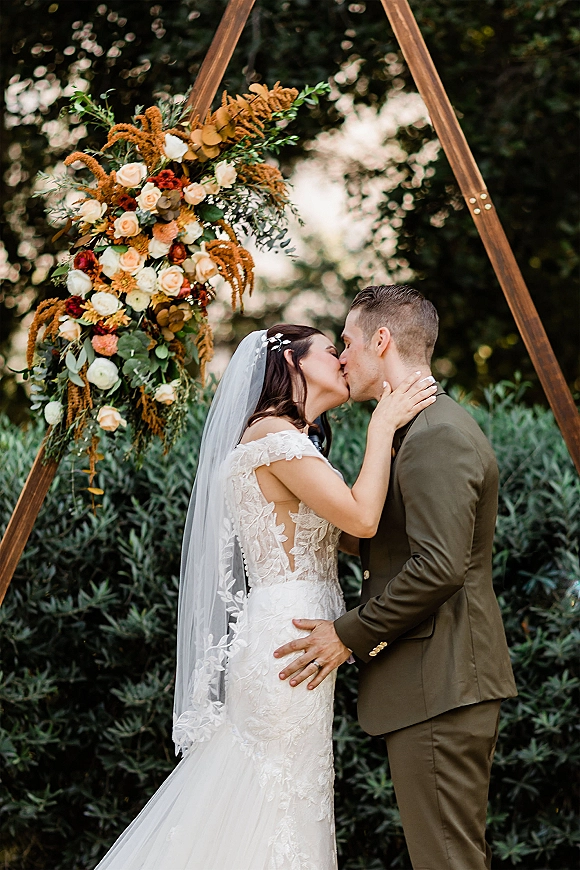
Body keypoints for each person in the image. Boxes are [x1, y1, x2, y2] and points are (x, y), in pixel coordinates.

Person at [93, 324, 437, 870]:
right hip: (289, 639)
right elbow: (362, 519)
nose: (345, 360)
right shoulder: (273, 436)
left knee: (287, 790)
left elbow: (344, 535)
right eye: (332, 350)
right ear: (294, 364)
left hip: (295, 632)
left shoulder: (289, 440)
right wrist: (381, 431)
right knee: (277, 792)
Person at [275, 285, 518, 870]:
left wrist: (348, 634)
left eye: (349, 343)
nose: (341, 358)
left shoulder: (435, 435)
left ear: (381, 340)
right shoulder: (408, 431)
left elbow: (438, 568)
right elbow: (381, 536)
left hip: (443, 684)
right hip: (434, 684)